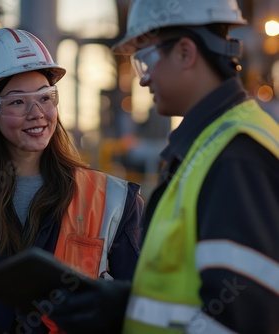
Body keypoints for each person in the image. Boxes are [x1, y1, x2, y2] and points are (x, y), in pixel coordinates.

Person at [44, 0, 279, 333]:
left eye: (145, 60)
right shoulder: (212, 145)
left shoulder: (235, 156)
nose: (143, 80)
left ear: (185, 52)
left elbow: (240, 319)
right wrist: (125, 303)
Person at [0, 27, 144, 333]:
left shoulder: (114, 201)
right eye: (18, 102)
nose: (37, 113)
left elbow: (139, 312)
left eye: (45, 97)